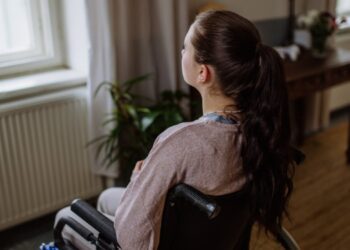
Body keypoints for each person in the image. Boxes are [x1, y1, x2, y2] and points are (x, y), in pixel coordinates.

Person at [54, 10, 294, 250]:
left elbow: (132, 241)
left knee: (65, 216)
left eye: (185, 47)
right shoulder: (258, 132)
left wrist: (140, 177)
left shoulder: (181, 142)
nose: (181, 53)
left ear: (203, 72)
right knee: (107, 198)